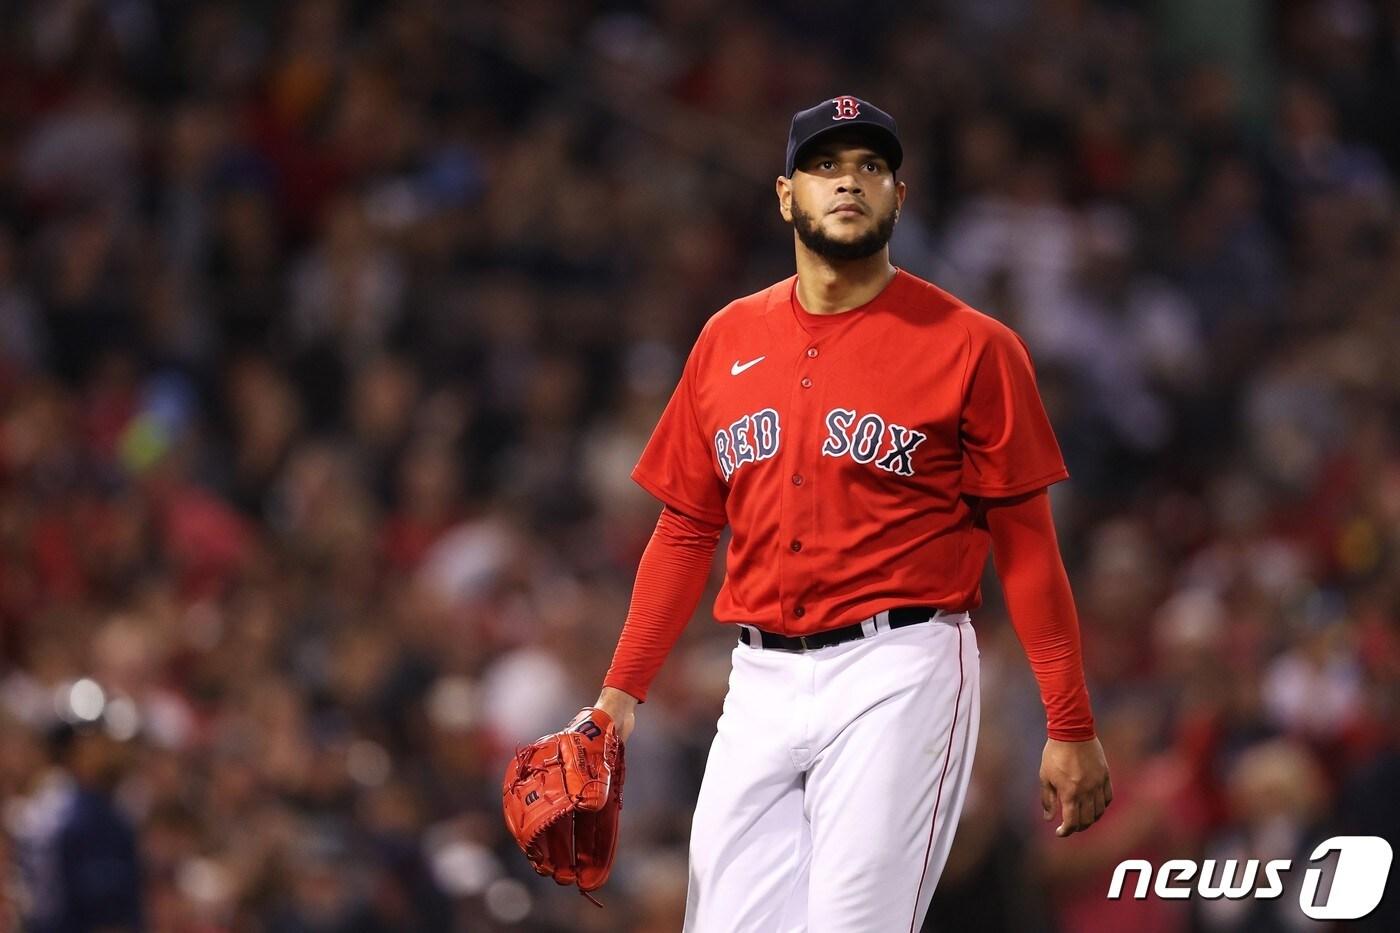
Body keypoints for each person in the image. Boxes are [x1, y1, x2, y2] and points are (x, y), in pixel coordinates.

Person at [592, 96, 1112, 931]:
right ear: (785, 195)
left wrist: (1070, 721)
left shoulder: (973, 345)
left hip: (900, 665)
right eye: (826, 166)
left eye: (871, 166)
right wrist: (618, 697)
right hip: (756, 678)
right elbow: (687, 527)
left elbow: (1026, 545)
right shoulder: (726, 338)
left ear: (899, 198)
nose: (849, 182)